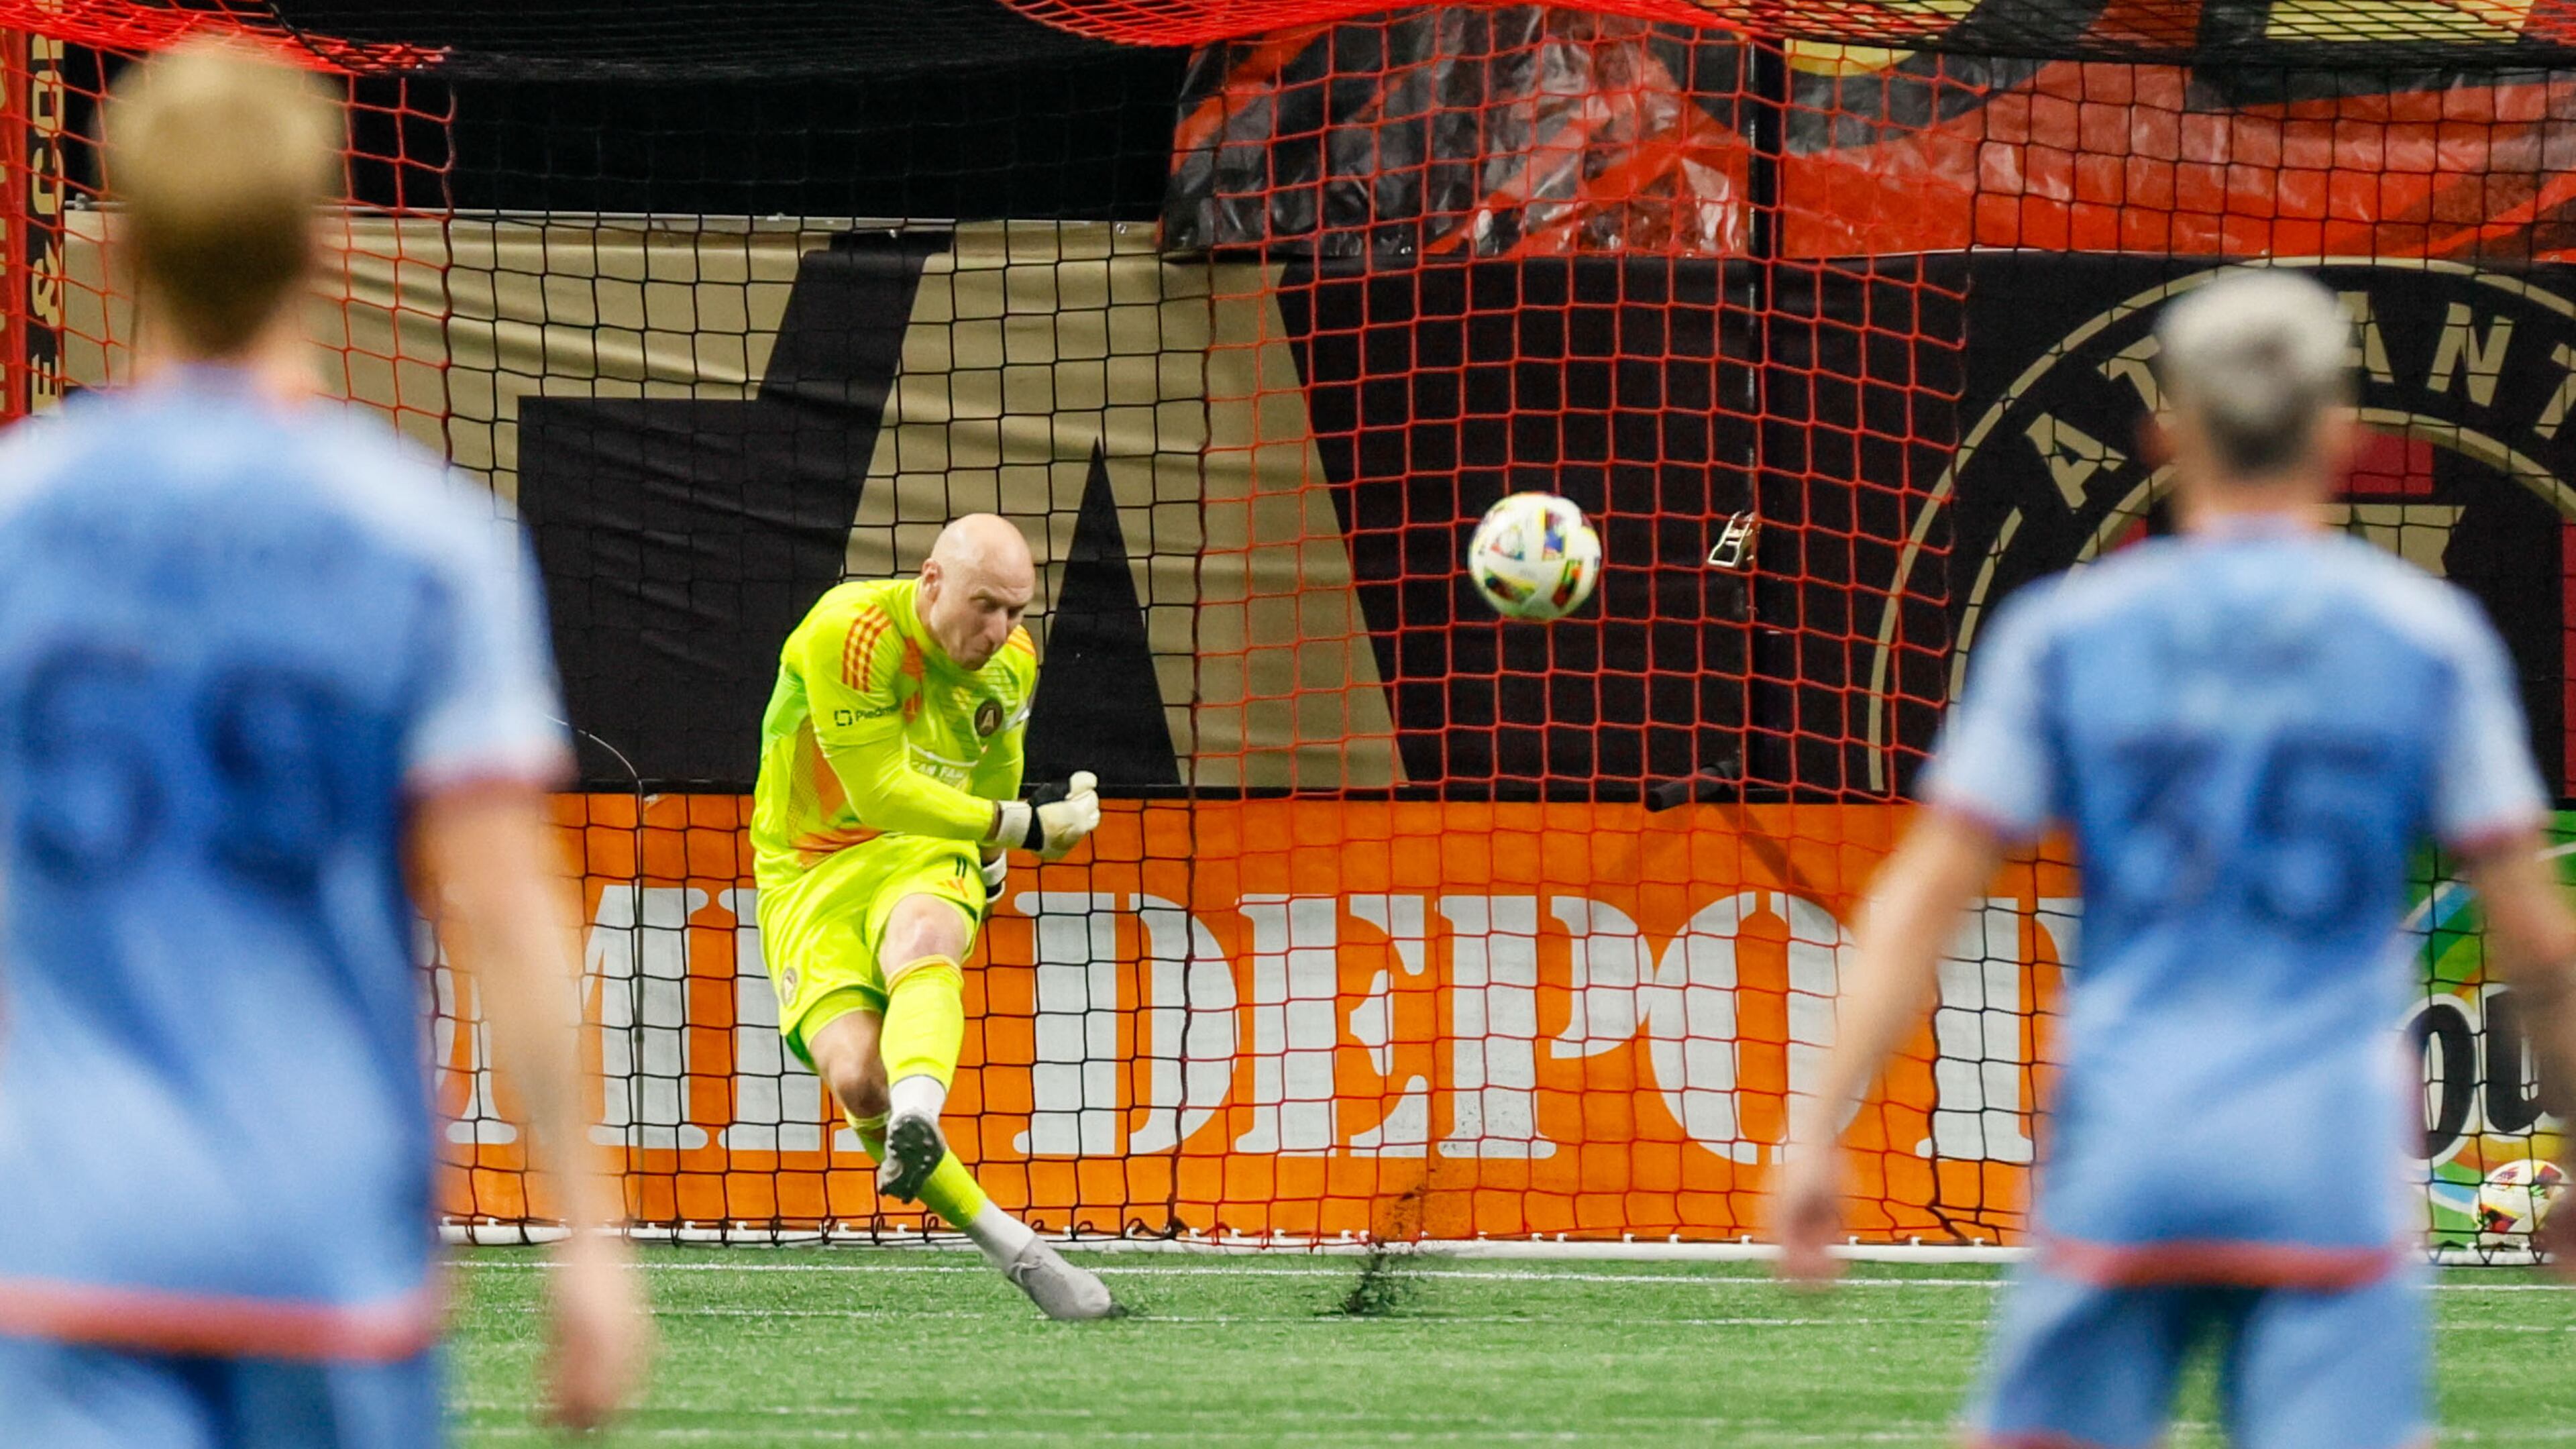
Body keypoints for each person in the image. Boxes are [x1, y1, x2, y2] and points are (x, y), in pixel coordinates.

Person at [1773, 268, 2576, 1449]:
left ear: (2169, 431)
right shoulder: (2426, 641)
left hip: (2132, 1138)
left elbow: (1919, 900)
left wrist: (1812, 1131)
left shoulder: (2067, 636)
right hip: (2329, 1157)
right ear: (2342, 434)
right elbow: (2539, 942)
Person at [0, 42, 647, 1446]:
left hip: (60, 1238)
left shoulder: (15, 521)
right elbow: (503, 909)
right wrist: (589, 1230)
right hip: (323, 1239)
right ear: (325, 244)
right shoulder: (426, 544)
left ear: (115, 249)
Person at [752, 513, 1118, 1319]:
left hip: (925, 847)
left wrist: (992, 867)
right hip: (808, 867)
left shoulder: (1012, 664)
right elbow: (878, 790)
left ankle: (919, 1117)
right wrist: (1022, 827)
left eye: (1018, 612)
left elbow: (996, 768)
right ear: (931, 581)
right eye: (986, 606)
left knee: (922, 937)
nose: (1001, 632)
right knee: (856, 1077)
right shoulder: (850, 629)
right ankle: (1015, 1247)